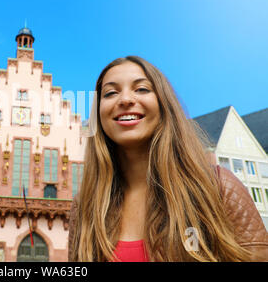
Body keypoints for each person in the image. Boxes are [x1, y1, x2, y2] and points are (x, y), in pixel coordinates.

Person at [68, 56, 268, 262]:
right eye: (110, 93)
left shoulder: (218, 188)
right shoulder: (84, 207)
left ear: (164, 105)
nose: (125, 99)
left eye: (142, 89)